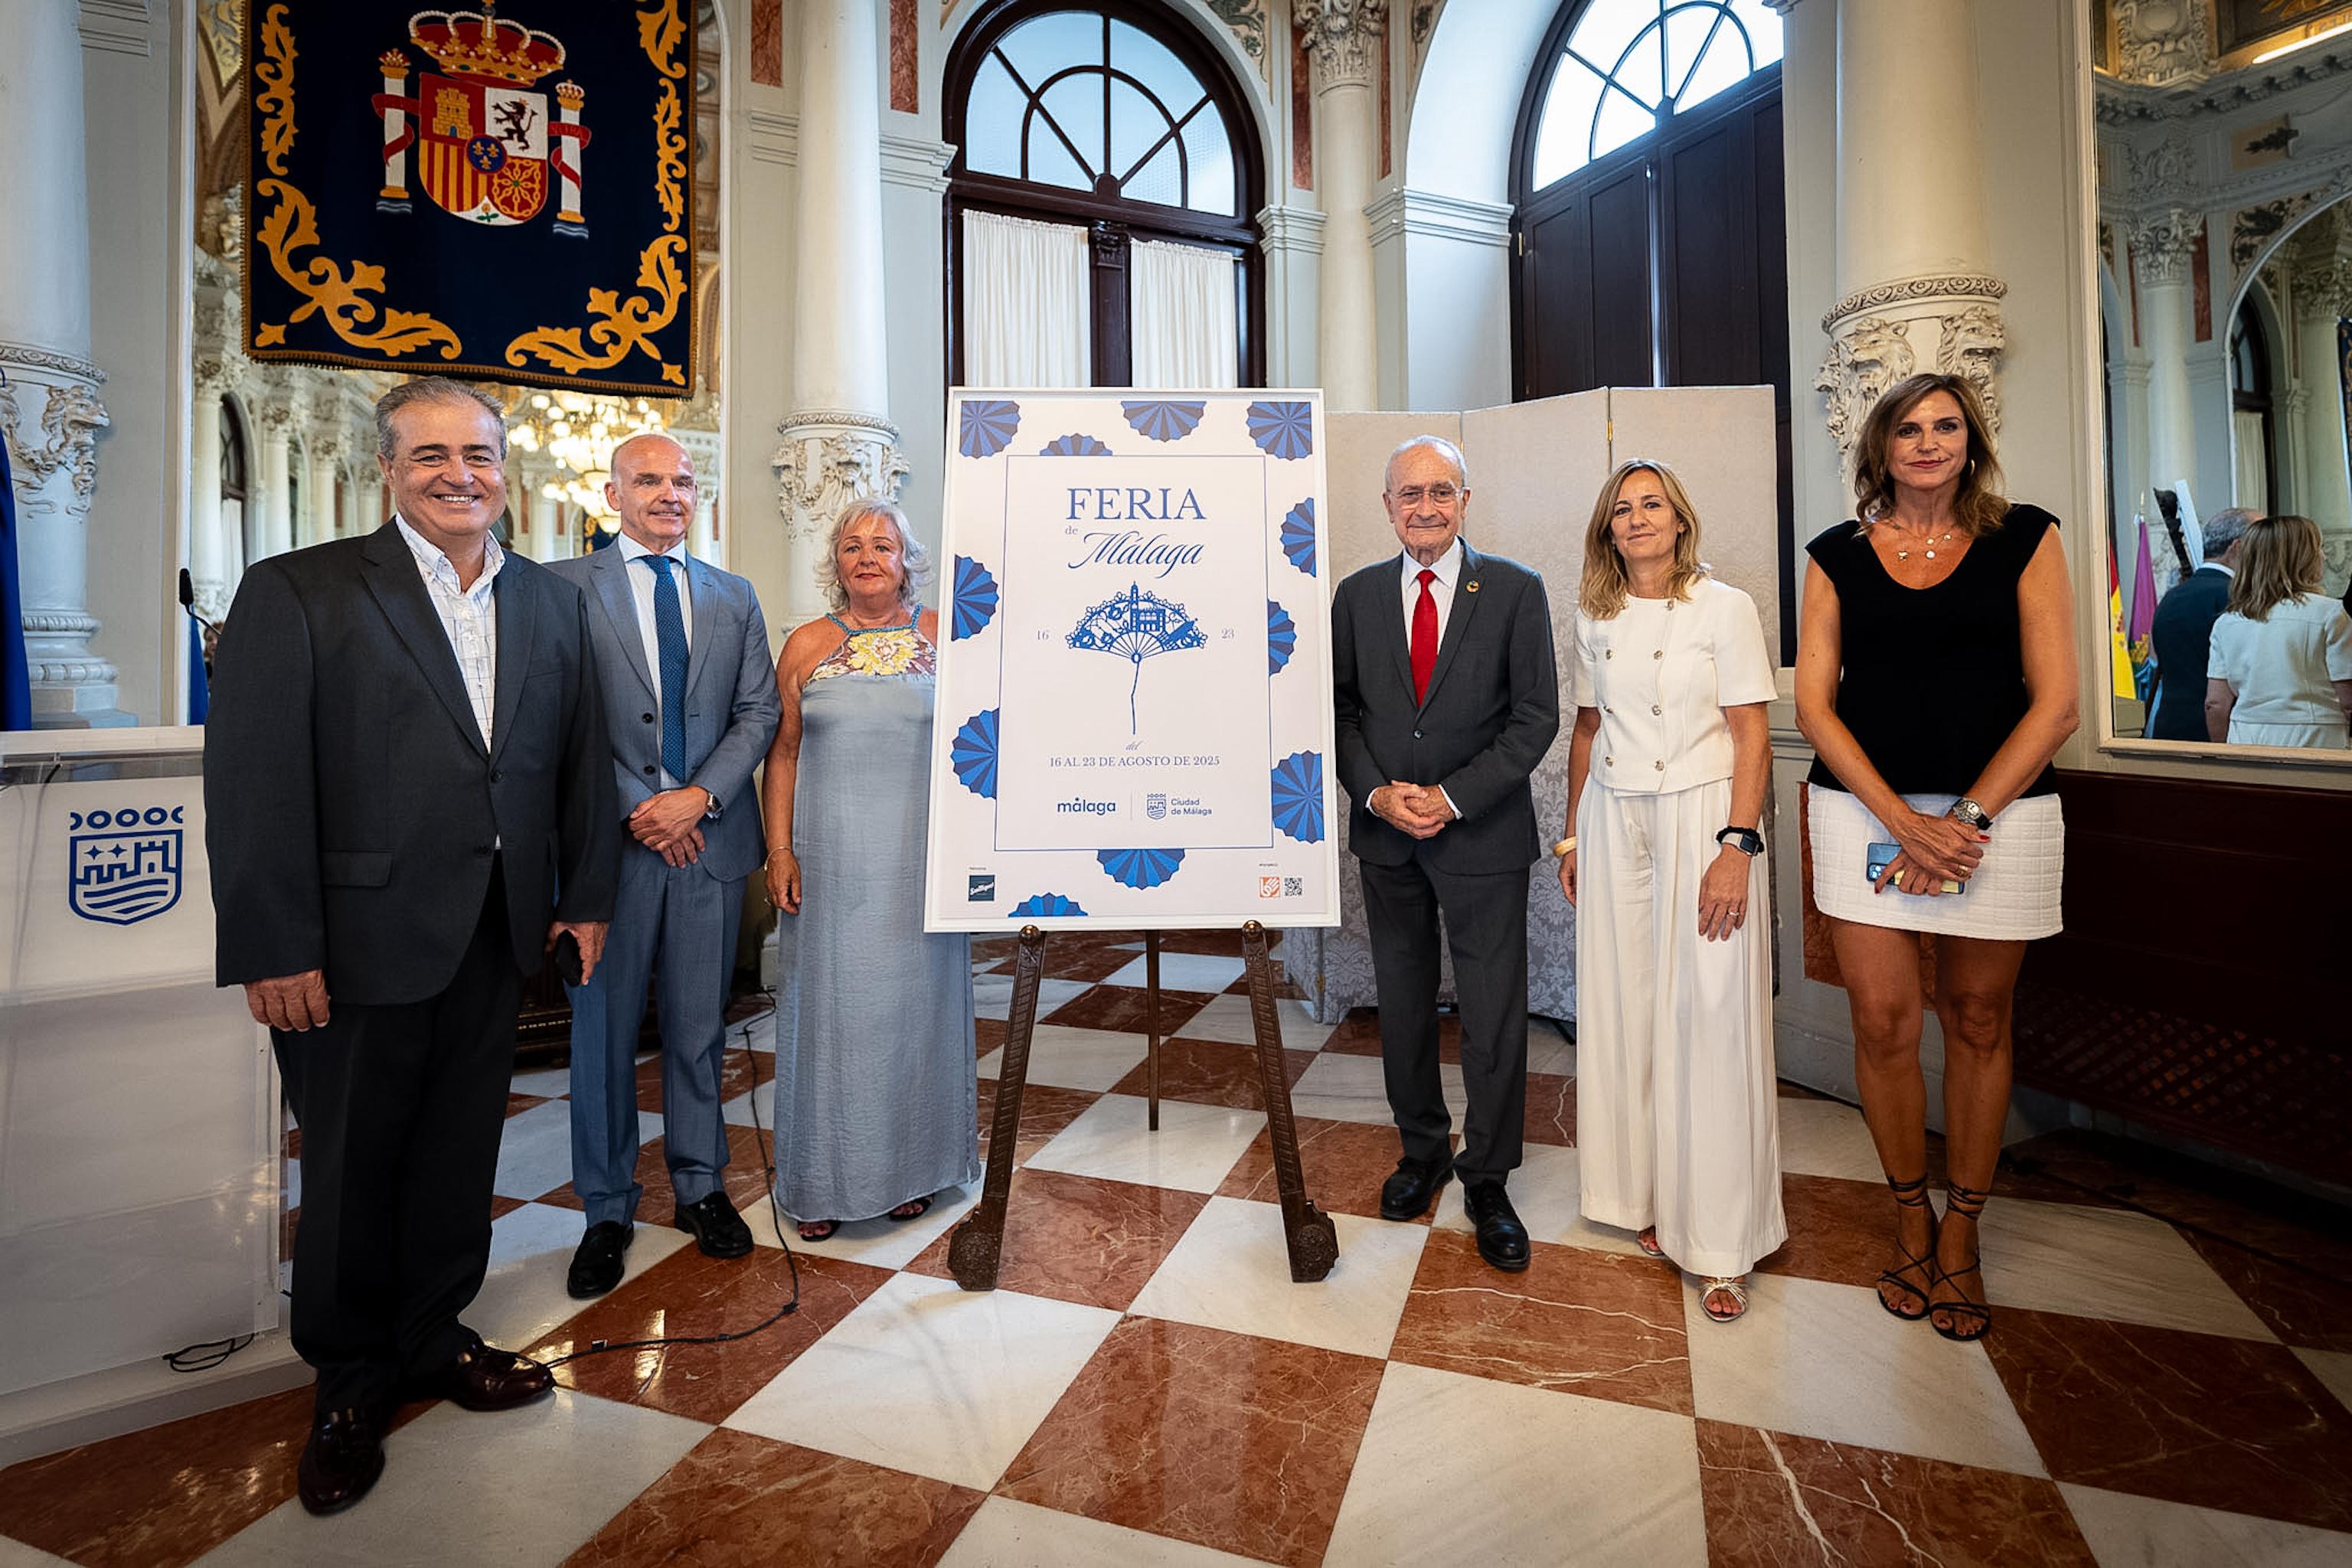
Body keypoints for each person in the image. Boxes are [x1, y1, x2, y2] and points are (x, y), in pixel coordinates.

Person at [205, 377, 619, 1514]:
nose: (459, 474)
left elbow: (574, 763)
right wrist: (275, 942)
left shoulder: (548, 599)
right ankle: (349, 1379)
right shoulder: (300, 591)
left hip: (494, 938)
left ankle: (435, 1335)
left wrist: (583, 897)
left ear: (506, 471)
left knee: (453, 1157)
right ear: (387, 467)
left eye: (479, 455)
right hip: (346, 944)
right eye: (430, 454)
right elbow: (252, 784)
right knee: (348, 1170)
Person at [1794, 372, 2078, 1344]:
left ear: (1972, 439)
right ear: (1879, 446)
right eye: (1908, 428)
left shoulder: (2026, 537)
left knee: (1976, 1015)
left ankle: (1964, 1229)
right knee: (1880, 1019)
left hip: (1996, 812)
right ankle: (1907, 1209)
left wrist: (1962, 819)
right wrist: (1904, 825)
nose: (1927, 442)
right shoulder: (1835, 553)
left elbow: (2059, 703)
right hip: (1863, 812)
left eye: (1946, 425)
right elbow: (1815, 706)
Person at [548, 433, 782, 1299]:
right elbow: (557, 715)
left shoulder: (733, 594)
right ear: (613, 492)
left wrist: (699, 798)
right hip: (608, 856)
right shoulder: (564, 588)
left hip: (711, 847)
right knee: (602, 1037)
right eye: (648, 479)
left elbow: (757, 712)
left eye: (682, 480)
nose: (669, 493)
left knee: (698, 1028)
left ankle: (701, 1185)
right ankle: (605, 1207)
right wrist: (644, 807)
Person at [1560, 459, 1784, 1323]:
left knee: (1711, 1011)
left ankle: (1722, 1239)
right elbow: (1587, 728)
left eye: (1652, 504)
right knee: (1628, 1008)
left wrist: (1738, 842)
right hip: (1615, 819)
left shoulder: (1724, 607)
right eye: (1622, 508)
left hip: (1703, 817)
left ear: (1680, 519)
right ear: (1608, 529)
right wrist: (1574, 831)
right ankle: (1643, 1196)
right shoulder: (1595, 611)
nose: (1637, 518)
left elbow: (1749, 729)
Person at [1331, 435, 1560, 1272]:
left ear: (1465, 499)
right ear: (1387, 506)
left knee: (1495, 1012)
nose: (1425, 507)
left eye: (1441, 491)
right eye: (1408, 494)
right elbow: (1341, 713)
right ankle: (1421, 1150)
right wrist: (1378, 793)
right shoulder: (1353, 597)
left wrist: (1454, 796)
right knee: (1402, 1002)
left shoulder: (1513, 590)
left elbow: (1535, 717)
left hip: (1482, 834)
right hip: (1387, 835)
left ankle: (1488, 1175)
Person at [763, 499, 978, 1240]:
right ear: (836, 564)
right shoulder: (807, 645)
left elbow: (983, 739)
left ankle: (913, 1169)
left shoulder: (947, 636)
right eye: (851, 547)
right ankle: (820, 1181)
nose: (866, 557)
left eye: (882, 545)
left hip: (922, 862)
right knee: (833, 1016)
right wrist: (780, 849)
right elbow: (782, 754)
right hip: (833, 867)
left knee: (917, 1012)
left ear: (907, 559)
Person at [2204, 513, 2352, 747]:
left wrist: (2222, 753)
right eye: (2318, 548)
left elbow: (2215, 703)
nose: (2323, 556)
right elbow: (2348, 700)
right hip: (2318, 741)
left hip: (2246, 740)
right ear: (2302, 558)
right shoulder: (2331, 613)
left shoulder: (2226, 622)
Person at [2148, 507, 2258, 741]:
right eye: (2262, 543)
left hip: (2169, 730)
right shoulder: (2239, 597)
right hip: (2219, 733)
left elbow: (2155, 659)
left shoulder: (2171, 597)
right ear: (2237, 548)